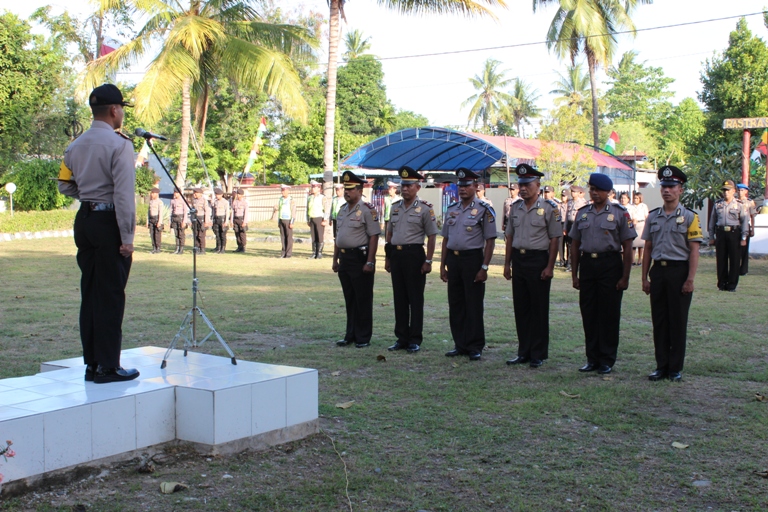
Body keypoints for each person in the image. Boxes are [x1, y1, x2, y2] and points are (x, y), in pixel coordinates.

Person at [57, 83, 139, 384]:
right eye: (122, 111)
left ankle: (92, 364)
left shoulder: (75, 145)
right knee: (111, 295)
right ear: (115, 111)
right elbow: (123, 196)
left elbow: (64, 184)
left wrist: (87, 194)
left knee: (90, 292)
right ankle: (108, 366)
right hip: (109, 224)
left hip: (85, 221)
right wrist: (127, 237)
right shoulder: (120, 145)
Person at [569, 174, 636, 375]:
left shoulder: (619, 213)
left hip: (610, 264)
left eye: (598, 190)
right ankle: (592, 358)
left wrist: (625, 277)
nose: (594, 193)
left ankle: (606, 359)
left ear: (608, 192)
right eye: (592, 189)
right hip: (588, 264)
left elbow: (628, 246)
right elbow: (574, 245)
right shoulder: (582, 213)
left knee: (609, 313)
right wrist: (575, 274)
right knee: (589, 313)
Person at [641, 165, 703, 382]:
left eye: (672, 186)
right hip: (658, 271)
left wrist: (690, 279)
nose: (667, 190)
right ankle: (661, 366)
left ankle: (675, 368)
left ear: (680, 190)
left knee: (677, 321)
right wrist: (645, 277)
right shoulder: (653, 217)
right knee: (659, 321)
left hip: (679, 272)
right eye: (664, 186)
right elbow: (647, 248)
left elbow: (694, 250)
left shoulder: (690, 217)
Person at [503, 164, 562, 368]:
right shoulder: (515, 208)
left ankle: (538, 353)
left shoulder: (549, 208)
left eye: (527, 184)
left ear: (538, 185)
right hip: (519, 261)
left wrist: (550, 267)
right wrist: (507, 264)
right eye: (521, 184)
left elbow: (555, 239)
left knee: (538, 309)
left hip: (538, 261)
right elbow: (509, 236)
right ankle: (523, 351)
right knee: (521, 308)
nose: (523, 188)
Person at [440, 168, 496, 361]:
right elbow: (445, 238)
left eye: (466, 185)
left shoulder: (483, 209)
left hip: (472, 260)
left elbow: (490, 240)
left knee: (473, 304)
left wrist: (485, 267)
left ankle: (475, 346)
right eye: (460, 186)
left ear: (476, 187)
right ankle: (460, 344)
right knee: (455, 303)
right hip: (453, 260)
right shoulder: (452, 209)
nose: (462, 189)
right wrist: (442, 265)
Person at [384, 166, 439, 353]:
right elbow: (389, 232)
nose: (405, 189)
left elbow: (432, 236)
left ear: (418, 187)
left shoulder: (425, 209)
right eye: (403, 185)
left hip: (415, 256)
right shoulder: (394, 208)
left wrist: (428, 261)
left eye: (409, 186)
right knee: (399, 298)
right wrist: (388, 257)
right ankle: (401, 338)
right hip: (397, 255)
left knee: (415, 299)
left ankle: (415, 339)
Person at [333, 171, 380, 348]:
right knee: (350, 298)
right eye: (345, 189)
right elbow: (338, 236)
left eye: (350, 189)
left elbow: (374, 236)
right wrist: (335, 259)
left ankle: (363, 337)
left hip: (360, 257)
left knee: (363, 299)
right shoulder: (342, 210)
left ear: (359, 190)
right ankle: (350, 334)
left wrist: (370, 261)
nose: (346, 192)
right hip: (345, 258)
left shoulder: (367, 210)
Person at [708, 180, 749, 291]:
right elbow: (712, 221)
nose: (726, 192)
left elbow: (745, 221)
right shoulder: (718, 204)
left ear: (734, 191)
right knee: (721, 259)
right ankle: (722, 284)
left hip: (734, 233)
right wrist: (711, 237)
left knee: (734, 260)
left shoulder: (739, 205)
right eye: (724, 190)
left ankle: (731, 285)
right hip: (721, 233)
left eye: (728, 190)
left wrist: (744, 237)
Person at [564, 185, 587, 270]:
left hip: (578, 225)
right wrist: (565, 227)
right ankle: (570, 264)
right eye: (572, 192)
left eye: (574, 192)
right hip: (570, 225)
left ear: (579, 193)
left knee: (579, 245)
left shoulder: (583, 203)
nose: (572, 193)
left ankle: (579, 263)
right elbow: (567, 215)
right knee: (570, 245)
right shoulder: (569, 202)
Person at [737, 183, 757, 275]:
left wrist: (752, 229)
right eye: (739, 190)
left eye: (742, 190)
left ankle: (743, 270)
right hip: (736, 226)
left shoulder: (750, 202)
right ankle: (735, 267)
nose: (740, 192)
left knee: (744, 249)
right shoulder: (735, 201)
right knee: (735, 248)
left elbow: (752, 217)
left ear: (746, 191)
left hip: (746, 227)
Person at [306, 180, 329, 259]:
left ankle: (319, 253)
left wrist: (325, 219)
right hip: (312, 218)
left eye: (314, 187)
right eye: (312, 187)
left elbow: (326, 209)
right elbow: (307, 209)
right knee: (313, 236)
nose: (313, 189)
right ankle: (313, 253)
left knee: (319, 236)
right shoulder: (309, 198)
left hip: (319, 218)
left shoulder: (323, 197)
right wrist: (308, 220)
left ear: (319, 188)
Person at [272, 184, 297, 258]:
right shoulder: (281, 199)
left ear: (288, 191)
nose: (282, 192)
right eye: (281, 190)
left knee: (289, 237)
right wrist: (278, 221)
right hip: (282, 219)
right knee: (283, 237)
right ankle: (283, 253)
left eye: (283, 190)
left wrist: (292, 222)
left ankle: (288, 254)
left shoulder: (291, 200)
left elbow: (293, 211)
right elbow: (280, 210)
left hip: (288, 220)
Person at [191, 187, 212, 254]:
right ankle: (196, 248)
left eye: (196, 193)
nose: (195, 194)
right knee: (196, 234)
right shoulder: (193, 200)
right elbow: (192, 210)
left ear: (200, 194)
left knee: (201, 235)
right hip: (195, 218)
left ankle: (202, 249)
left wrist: (206, 221)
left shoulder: (204, 200)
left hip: (201, 219)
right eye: (194, 193)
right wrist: (191, 220)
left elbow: (207, 211)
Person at [632, 192, 649, 266]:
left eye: (636, 198)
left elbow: (647, 216)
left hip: (641, 224)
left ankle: (639, 260)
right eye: (634, 198)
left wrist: (646, 226)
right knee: (633, 244)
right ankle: (632, 260)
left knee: (641, 244)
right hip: (633, 224)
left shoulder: (643, 206)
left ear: (640, 198)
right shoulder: (631, 206)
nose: (635, 200)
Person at [169, 189, 189, 255]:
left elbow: (185, 212)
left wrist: (184, 221)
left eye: (177, 193)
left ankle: (181, 249)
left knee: (181, 234)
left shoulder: (183, 200)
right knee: (176, 234)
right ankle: (177, 248)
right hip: (174, 218)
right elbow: (171, 211)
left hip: (181, 218)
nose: (175, 194)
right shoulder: (172, 201)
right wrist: (170, 220)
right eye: (174, 192)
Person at [211, 187, 229, 254]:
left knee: (223, 234)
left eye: (218, 194)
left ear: (221, 194)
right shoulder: (215, 202)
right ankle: (218, 248)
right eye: (216, 194)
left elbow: (227, 212)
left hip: (222, 218)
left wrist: (226, 221)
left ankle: (223, 248)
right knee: (217, 234)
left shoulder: (225, 202)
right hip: (216, 219)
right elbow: (213, 211)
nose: (216, 196)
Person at [147, 187, 164, 254]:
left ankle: (158, 248)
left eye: (153, 193)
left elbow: (161, 212)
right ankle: (154, 247)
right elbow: (148, 212)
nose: (152, 194)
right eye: (152, 193)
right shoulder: (151, 202)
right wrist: (147, 220)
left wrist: (160, 221)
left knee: (157, 234)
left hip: (157, 219)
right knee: (152, 234)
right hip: (151, 219)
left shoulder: (159, 202)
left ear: (157, 194)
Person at [230, 188, 248, 253]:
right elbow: (232, 212)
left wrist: (245, 222)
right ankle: (239, 246)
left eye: (239, 194)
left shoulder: (244, 202)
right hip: (235, 219)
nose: (237, 195)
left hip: (241, 219)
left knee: (242, 234)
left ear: (242, 195)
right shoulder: (235, 202)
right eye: (237, 194)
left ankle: (243, 247)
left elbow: (246, 213)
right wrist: (231, 221)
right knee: (237, 233)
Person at [558, 189, 570, 267]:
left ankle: (569, 261)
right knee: (560, 244)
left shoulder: (570, 204)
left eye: (564, 196)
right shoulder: (558, 204)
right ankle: (562, 261)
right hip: (560, 224)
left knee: (568, 244)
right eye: (562, 196)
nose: (563, 197)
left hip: (568, 225)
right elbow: (556, 216)